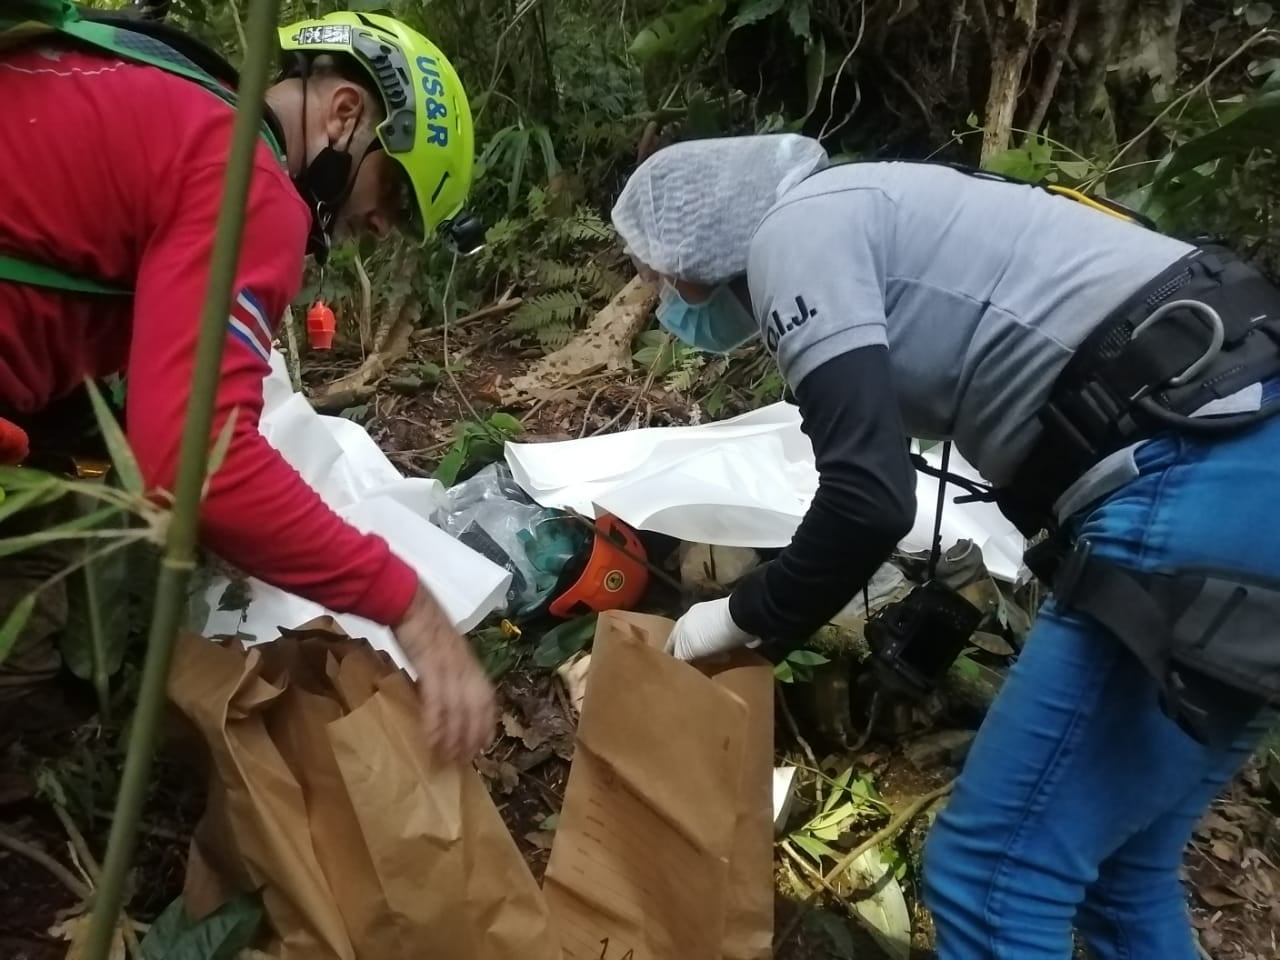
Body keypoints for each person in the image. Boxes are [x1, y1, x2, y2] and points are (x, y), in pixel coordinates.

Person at [609, 133, 1280, 960]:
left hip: (1193, 478)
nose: (665, 296)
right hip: (1246, 460)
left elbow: (867, 499)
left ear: (693, 247)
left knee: (990, 877)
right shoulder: (882, 205)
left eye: (655, 272)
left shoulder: (796, 233)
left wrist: (736, 619)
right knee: (1120, 876)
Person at [0, 9, 495, 764]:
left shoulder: (164, 93)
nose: (381, 225)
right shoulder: (249, 183)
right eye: (393, 193)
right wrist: (410, 606)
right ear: (345, 114)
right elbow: (199, 457)